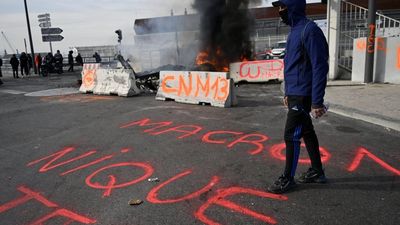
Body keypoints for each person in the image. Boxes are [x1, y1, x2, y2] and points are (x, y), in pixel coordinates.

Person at [267, 0, 329, 194]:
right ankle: (317, 171)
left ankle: (287, 178)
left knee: (290, 135)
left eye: (283, 6)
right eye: (278, 7)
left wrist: (317, 101)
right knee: (307, 132)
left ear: (293, 6)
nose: (280, 11)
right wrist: (287, 92)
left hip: (304, 95)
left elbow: (320, 66)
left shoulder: (310, 30)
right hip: (294, 93)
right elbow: (292, 65)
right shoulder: (294, 31)